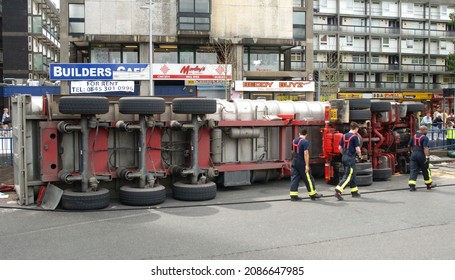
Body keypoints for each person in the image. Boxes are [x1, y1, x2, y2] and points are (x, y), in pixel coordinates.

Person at [289, 128, 323, 201]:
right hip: (301, 162)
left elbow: (292, 151)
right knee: (308, 178)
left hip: (294, 161)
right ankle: (313, 194)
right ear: (306, 134)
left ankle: (293, 195)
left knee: (294, 178)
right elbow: (306, 153)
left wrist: (293, 161)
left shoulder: (294, 140)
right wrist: (307, 165)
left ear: (299, 134)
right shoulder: (305, 142)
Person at [334, 121, 362, 201]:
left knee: (352, 174)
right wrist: (360, 155)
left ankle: (354, 192)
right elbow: (357, 149)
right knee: (348, 175)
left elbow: (340, 148)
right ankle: (338, 191)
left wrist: (344, 154)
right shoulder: (354, 137)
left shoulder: (343, 136)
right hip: (350, 158)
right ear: (356, 129)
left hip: (344, 157)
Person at [408, 125, 435, 191]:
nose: (427, 131)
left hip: (414, 154)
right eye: (426, 130)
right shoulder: (424, 138)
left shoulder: (413, 137)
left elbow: (409, 145)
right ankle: (429, 185)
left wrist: (410, 153)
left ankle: (412, 186)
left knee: (413, 170)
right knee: (426, 169)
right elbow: (425, 148)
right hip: (421, 154)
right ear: (422, 130)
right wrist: (427, 157)